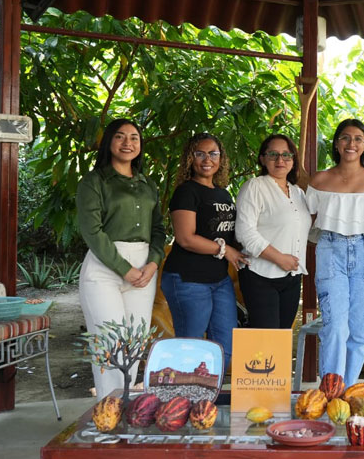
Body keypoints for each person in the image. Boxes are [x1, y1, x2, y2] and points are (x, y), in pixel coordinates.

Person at [76, 118, 166, 399]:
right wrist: (125, 269)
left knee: (136, 343)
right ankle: (109, 408)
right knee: (109, 343)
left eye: (134, 137)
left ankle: (129, 408)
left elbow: (159, 230)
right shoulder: (94, 181)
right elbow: (92, 231)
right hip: (104, 269)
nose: (128, 143)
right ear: (109, 143)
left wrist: (152, 264)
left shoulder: (147, 184)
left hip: (144, 269)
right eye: (120, 136)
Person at [307, 118, 364, 388]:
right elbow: (304, 221)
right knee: (335, 326)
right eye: (345, 137)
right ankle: (330, 392)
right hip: (330, 249)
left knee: (360, 328)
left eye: (358, 138)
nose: (351, 143)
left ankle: (346, 392)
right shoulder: (320, 180)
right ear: (336, 143)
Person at [160, 132, 247, 370]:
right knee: (191, 347)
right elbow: (186, 238)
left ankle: (207, 400)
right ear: (190, 158)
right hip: (188, 279)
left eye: (213, 153)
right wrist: (224, 249)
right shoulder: (186, 191)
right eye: (200, 154)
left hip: (219, 280)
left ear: (221, 159)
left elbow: (230, 234)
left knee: (226, 346)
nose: (207, 159)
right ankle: (185, 402)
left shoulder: (223, 193)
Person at [236, 133, 312, 329]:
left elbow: (304, 231)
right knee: (265, 341)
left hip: (292, 278)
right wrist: (279, 258)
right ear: (262, 158)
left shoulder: (298, 192)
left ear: (293, 159)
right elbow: (245, 233)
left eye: (286, 155)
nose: (281, 160)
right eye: (273, 154)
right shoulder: (254, 187)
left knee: (282, 340)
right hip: (260, 276)